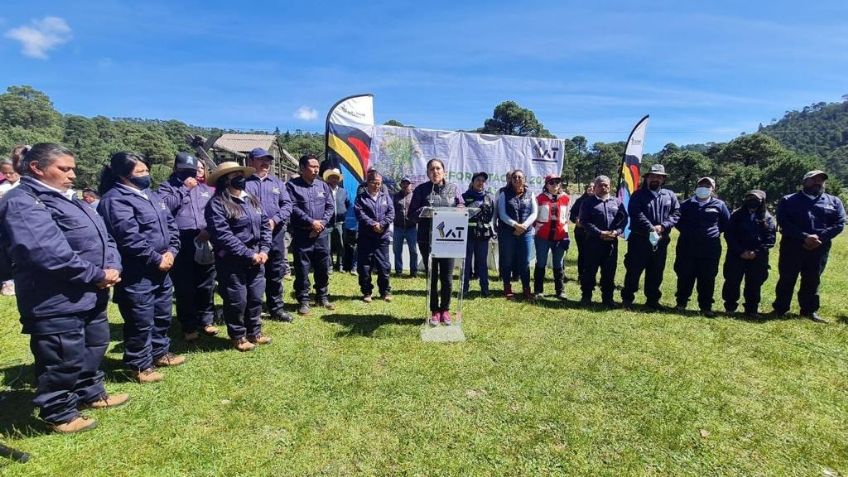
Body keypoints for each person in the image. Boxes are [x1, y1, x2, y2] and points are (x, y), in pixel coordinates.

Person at [0, 143, 127, 434]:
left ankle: (90, 392)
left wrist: (113, 267)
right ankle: (59, 411)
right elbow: (47, 252)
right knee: (62, 356)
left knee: (94, 345)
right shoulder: (23, 201)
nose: (72, 175)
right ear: (36, 167)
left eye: (73, 169)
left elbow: (105, 237)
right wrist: (96, 274)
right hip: (55, 297)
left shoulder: (69, 198)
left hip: (90, 292)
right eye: (64, 169)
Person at [98, 152, 184, 383]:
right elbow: (128, 237)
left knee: (162, 314)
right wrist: (156, 258)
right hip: (137, 272)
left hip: (163, 267)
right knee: (140, 319)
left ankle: (160, 352)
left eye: (146, 170)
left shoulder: (150, 195)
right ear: (123, 175)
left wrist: (171, 252)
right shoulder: (115, 200)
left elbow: (170, 225)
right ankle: (139, 364)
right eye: (140, 172)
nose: (146, 175)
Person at [205, 161, 273, 351]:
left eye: (241, 175)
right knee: (237, 299)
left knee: (255, 296)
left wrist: (264, 250)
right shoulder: (217, 204)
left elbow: (265, 225)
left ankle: (254, 332)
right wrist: (248, 254)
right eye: (235, 176)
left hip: (257, 257)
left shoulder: (251, 199)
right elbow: (223, 235)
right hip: (232, 260)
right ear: (224, 180)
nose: (240, 178)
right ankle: (238, 336)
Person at [157, 152, 219, 341]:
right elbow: (163, 208)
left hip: (204, 238)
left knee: (207, 283)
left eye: (197, 170)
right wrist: (184, 189)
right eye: (188, 170)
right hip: (181, 240)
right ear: (176, 169)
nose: (194, 173)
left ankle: (206, 320)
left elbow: (215, 212)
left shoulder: (206, 188)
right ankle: (189, 324)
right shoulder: (167, 187)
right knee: (185, 285)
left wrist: (209, 230)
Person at [772, 170, 846, 322]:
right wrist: (805, 237)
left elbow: (839, 223)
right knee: (787, 278)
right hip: (792, 246)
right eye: (814, 179)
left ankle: (809, 311)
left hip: (819, 248)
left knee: (812, 279)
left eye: (821, 180)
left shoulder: (834, 201)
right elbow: (783, 222)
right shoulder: (788, 200)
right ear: (804, 182)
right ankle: (780, 309)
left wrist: (819, 238)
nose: (818, 182)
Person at [409, 158, 462, 325]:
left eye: (438, 168)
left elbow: (461, 206)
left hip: (448, 240)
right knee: (432, 276)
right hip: (427, 239)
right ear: (427, 173)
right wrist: (425, 211)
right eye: (431, 169)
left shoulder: (453, 189)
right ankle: (434, 311)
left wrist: (460, 209)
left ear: (444, 171)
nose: (435, 172)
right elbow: (411, 214)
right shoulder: (421, 190)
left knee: (447, 277)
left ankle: (445, 310)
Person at [621, 164, 681, 309]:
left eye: (659, 177)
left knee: (656, 271)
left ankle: (652, 300)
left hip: (660, 240)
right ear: (647, 178)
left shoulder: (670, 195)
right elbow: (635, 213)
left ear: (663, 179)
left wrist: (663, 226)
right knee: (634, 269)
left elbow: (676, 213)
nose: (655, 179)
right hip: (639, 239)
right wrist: (651, 228)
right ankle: (627, 299)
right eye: (652, 176)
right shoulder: (638, 195)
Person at [244, 148, 294, 322]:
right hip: (252, 235)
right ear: (251, 161)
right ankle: (252, 310)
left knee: (275, 271)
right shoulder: (244, 183)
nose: (266, 163)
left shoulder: (277, 183)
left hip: (276, 233)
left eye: (268, 160)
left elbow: (287, 205)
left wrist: (275, 220)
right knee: (253, 273)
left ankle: (276, 309)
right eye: (261, 160)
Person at [673, 177, 730, 317]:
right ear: (696, 187)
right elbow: (677, 221)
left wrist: (713, 233)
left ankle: (705, 306)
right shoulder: (686, 204)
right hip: (687, 246)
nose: (704, 187)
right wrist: (688, 232)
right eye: (701, 185)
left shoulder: (719, 205)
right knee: (685, 275)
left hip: (710, 248)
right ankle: (681, 303)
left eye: (707, 185)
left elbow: (726, 223)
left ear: (713, 189)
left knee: (707, 277)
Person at [286, 154, 335, 315]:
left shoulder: (323, 186)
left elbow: (330, 207)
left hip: (321, 234)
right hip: (302, 234)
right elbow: (292, 207)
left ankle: (322, 296)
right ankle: (303, 299)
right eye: (312, 167)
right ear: (302, 168)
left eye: (317, 167)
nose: (316, 170)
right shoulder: (292, 186)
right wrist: (311, 222)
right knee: (302, 268)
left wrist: (321, 224)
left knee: (323, 266)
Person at [722, 190, 776, 319]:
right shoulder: (736, 215)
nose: (752, 201)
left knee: (754, 283)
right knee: (732, 281)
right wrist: (740, 251)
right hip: (736, 255)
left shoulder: (768, 218)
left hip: (758, 257)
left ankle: (751, 309)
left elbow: (770, 239)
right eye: (749, 198)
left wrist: (755, 252)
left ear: (762, 201)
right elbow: (729, 234)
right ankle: (730, 307)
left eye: (756, 199)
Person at [578, 175, 628, 307]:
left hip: (611, 243)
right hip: (593, 242)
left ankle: (608, 299)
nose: (603, 187)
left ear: (610, 187)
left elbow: (624, 219)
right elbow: (584, 221)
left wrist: (617, 232)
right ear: (595, 187)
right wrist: (599, 233)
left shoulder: (617, 202)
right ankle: (586, 297)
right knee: (589, 271)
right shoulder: (587, 202)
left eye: (606, 185)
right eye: (600, 185)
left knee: (609, 272)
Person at [497, 169, 538, 300]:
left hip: (526, 232)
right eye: (514, 177)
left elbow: (534, 213)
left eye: (520, 177)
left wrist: (524, 226)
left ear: (524, 179)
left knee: (525, 261)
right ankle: (507, 288)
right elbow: (502, 213)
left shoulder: (530, 194)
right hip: (507, 232)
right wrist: (515, 225)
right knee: (507, 260)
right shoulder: (504, 193)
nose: (517, 179)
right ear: (511, 180)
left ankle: (526, 290)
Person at [355, 170, 395, 302]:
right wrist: (373, 224)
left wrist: (382, 224)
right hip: (366, 237)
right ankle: (367, 292)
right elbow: (360, 214)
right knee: (365, 267)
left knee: (384, 266)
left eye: (379, 183)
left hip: (382, 238)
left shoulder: (385, 197)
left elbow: (391, 213)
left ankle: (385, 292)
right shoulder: (361, 198)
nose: (377, 186)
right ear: (368, 182)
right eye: (374, 183)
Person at [533, 174, 570, 299]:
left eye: (557, 182)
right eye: (552, 183)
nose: (555, 185)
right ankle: (538, 290)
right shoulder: (539, 198)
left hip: (559, 237)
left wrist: (566, 235)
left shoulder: (565, 198)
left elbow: (566, 219)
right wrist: (538, 228)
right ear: (546, 185)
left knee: (558, 263)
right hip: (542, 238)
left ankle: (560, 291)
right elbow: (534, 217)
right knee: (541, 263)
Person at [461, 172, 495, 297]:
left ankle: (485, 290)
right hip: (468, 235)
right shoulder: (464, 197)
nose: (480, 182)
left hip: (483, 236)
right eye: (478, 180)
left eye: (483, 181)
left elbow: (490, 215)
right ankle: (464, 289)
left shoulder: (489, 198)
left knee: (482, 264)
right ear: (473, 182)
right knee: (466, 263)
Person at [0, 156, 22, 296]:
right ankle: (6, 280)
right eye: (5, 173)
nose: (8, 175)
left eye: (11, 172)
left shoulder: (24, 186)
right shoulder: (3, 186)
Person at [323, 168, 350, 273]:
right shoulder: (324, 190)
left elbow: (347, 204)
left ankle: (340, 265)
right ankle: (329, 266)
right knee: (327, 246)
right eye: (332, 177)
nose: (334, 179)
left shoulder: (343, 191)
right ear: (328, 178)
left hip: (340, 222)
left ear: (338, 179)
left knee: (341, 245)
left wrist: (342, 213)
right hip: (327, 223)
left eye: (336, 177)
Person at [392, 177, 418, 277]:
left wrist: (415, 219)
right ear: (401, 185)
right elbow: (391, 210)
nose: (405, 185)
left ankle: (413, 272)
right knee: (397, 250)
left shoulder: (415, 196)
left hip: (411, 228)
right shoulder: (396, 196)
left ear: (411, 185)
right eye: (403, 183)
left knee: (413, 250)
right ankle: (398, 271)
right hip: (398, 228)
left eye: (407, 184)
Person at [569, 183, 593, 284]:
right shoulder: (580, 200)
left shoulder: (599, 201)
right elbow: (572, 215)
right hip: (581, 232)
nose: (591, 188)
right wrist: (576, 220)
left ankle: (590, 276)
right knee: (582, 253)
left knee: (592, 255)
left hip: (594, 233)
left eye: (593, 187)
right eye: (589, 187)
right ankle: (581, 275)